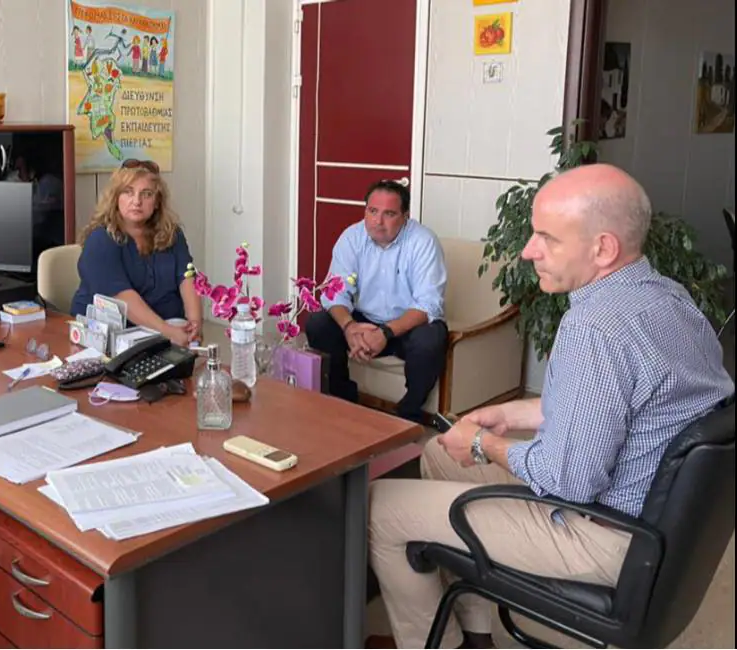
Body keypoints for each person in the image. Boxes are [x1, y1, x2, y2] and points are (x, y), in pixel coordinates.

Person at [366, 164, 734, 649]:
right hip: (656, 526)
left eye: (547, 238)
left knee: (382, 506)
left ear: (603, 248)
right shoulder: (669, 297)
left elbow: (568, 480)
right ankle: (474, 635)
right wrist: (510, 416)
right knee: (438, 453)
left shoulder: (596, 328)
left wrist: (484, 443)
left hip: (602, 532)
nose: (527, 250)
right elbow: (619, 404)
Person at [304, 179, 448, 424]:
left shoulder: (423, 241)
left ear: (405, 216)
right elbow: (333, 293)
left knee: (431, 338)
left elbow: (428, 305)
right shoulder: (352, 237)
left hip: (406, 326)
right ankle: (342, 398)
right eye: (372, 211)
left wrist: (385, 333)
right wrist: (349, 327)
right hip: (364, 321)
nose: (377, 221)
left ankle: (408, 414)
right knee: (318, 323)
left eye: (389, 214)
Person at [70, 159, 203, 346]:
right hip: (111, 340)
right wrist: (168, 332)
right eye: (128, 192)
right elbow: (123, 299)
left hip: (167, 332)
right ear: (116, 198)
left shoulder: (172, 234)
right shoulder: (100, 240)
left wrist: (195, 325)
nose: (137, 201)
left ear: (157, 202)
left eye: (146, 194)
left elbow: (187, 277)